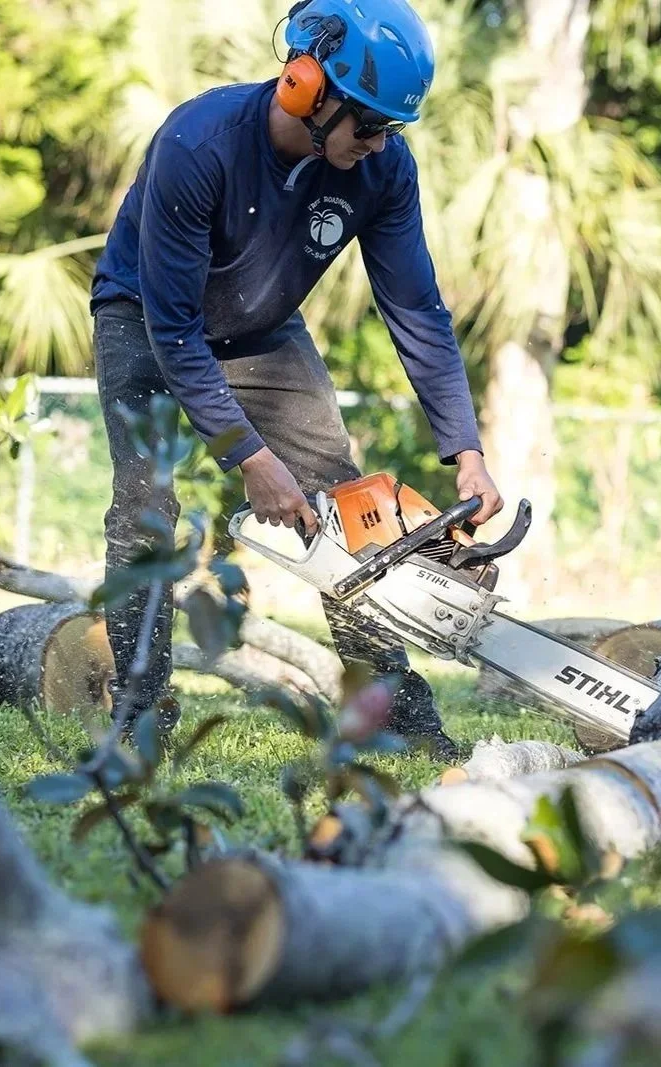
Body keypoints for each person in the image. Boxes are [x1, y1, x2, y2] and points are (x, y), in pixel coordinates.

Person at [89, 0, 503, 759]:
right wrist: (250, 458)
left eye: (391, 130)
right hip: (146, 318)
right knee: (147, 501)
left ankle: (395, 714)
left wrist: (464, 450)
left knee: (345, 505)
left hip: (260, 331)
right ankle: (141, 714)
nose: (378, 144)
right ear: (305, 86)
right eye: (368, 124)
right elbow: (175, 333)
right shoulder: (198, 143)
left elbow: (416, 310)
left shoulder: (382, 171)